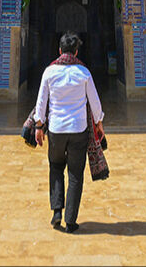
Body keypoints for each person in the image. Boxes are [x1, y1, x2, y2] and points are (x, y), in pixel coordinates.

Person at [33, 31, 105, 233]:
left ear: (59, 51)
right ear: (76, 51)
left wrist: (39, 126)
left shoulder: (49, 72)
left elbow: (41, 103)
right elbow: (95, 103)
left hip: (55, 129)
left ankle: (57, 211)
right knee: (75, 174)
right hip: (79, 130)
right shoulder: (84, 73)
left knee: (56, 167)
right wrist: (99, 123)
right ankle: (70, 221)